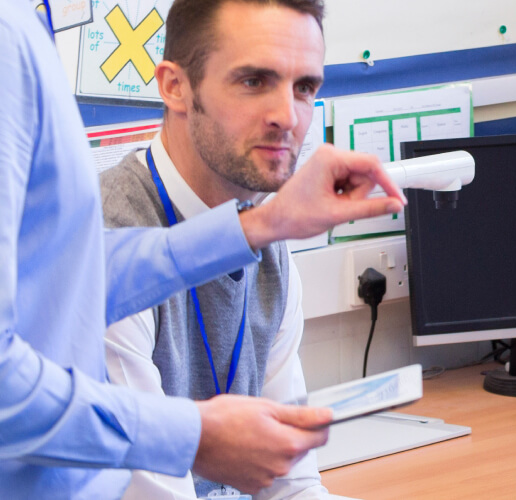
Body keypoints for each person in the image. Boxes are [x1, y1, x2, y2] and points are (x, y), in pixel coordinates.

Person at [0, 1, 403, 497]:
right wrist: (190, 435)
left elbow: (48, 276)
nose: (286, 115)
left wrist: (253, 230)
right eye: (254, 79)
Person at [93, 0, 350, 498]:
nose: (287, 116)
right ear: (175, 87)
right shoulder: (110, 239)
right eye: (254, 81)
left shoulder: (266, 233)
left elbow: (291, 482)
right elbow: (150, 491)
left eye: (304, 88)